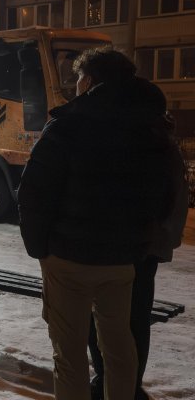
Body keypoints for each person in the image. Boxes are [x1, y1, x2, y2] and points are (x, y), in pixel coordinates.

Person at [18, 48, 179, 399]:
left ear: (89, 81)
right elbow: (165, 192)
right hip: (122, 260)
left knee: (70, 352)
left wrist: (39, 248)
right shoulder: (149, 128)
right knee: (119, 347)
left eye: (78, 78)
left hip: (68, 258)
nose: (75, 85)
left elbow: (33, 193)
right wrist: (139, 241)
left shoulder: (67, 125)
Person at [86, 113, 188, 398]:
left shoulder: (120, 136)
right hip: (147, 248)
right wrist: (163, 242)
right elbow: (176, 198)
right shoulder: (163, 143)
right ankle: (128, 383)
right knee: (136, 319)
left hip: (118, 247)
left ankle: (109, 379)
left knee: (104, 316)